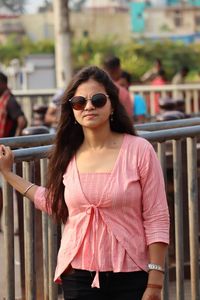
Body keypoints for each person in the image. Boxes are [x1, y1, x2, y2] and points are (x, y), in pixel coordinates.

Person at [0, 66, 169, 300]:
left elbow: (156, 216)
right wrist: (9, 175)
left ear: (111, 105)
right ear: (73, 110)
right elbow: (55, 202)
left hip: (132, 275)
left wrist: (155, 282)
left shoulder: (139, 151)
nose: (88, 107)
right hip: (78, 277)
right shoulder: (66, 154)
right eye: (79, 102)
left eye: (97, 100)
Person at [0, 71, 27, 232]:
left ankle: (16, 225)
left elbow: (22, 121)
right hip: (3, 149)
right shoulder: (4, 100)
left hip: (6, 151)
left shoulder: (9, 101)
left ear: (3, 83)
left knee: (11, 189)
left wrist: (14, 142)